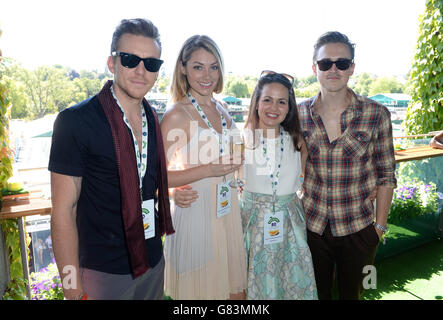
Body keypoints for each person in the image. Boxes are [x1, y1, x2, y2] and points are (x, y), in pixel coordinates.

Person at [49, 18, 174, 300]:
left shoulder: (153, 119)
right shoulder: (75, 122)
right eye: (130, 59)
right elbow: (63, 212)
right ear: (111, 63)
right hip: (104, 275)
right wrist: (71, 289)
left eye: (152, 64)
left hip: (153, 263)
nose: (141, 71)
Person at [298, 31, 397, 300]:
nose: (333, 69)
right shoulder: (297, 114)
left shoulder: (376, 114)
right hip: (311, 229)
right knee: (314, 295)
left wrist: (379, 229)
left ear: (352, 68)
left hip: (359, 230)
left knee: (354, 295)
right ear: (313, 68)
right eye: (325, 63)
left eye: (342, 63)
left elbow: (387, 175)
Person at [161, 35, 247, 300]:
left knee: (236, 295)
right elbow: (151, 177)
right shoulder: (178, 115)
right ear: (183, 68)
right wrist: (202, 174)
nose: (207, 74)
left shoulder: (222, 109)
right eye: (198, 66)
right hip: (197, 216)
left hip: (228, 213)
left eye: (213, 66)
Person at [239, 71, 317, 299]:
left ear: (289, 107)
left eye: (282, 101)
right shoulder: (241, 141)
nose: (274, 107)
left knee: (290, 286)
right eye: (267, 100)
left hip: (291, 224)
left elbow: (300, 179)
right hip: (252, 225)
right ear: (256, 103)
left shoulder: (297, 141)